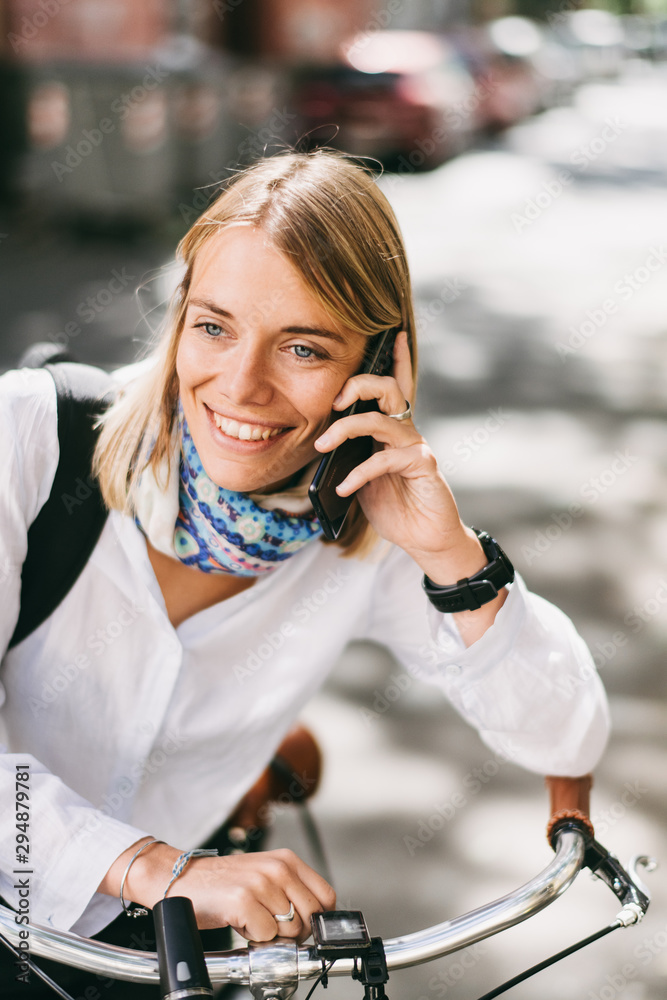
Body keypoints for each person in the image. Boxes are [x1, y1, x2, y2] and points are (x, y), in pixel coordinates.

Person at [0, 150, 609, 996]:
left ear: (378, 366)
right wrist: (145, 864)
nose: (240, 386)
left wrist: (449, 558)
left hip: (156, 959)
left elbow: (565, 733)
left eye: (302, 348)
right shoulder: (29, 437)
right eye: (213, 327)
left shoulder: (372, 525)